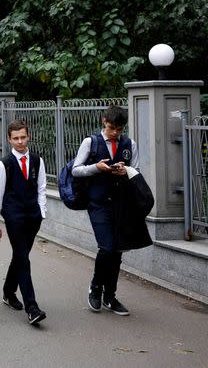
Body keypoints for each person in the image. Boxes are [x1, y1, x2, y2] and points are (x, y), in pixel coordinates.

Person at [72, 105, 138, 316]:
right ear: (104, 121)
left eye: (119, 129)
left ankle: (110, 295)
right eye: (111, 128)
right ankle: (95, 288)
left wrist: (124, 170)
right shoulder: (90, 142)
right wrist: (96, 168)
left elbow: (136, 171)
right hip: (98, 202)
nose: (115, 133)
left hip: (120, 203)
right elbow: (75, 169)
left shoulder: (129, 144)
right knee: (107, 247)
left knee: (117, 250)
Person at [0, 120, 47, 325]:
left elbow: (41, 188)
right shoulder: (4, 164)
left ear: (28, 136)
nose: (20, 141)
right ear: (9, 139)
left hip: (33, 216)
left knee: (20, 256)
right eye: (16, 138)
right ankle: (32, 307)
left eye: (23, 137)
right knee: (23, 258)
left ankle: (8, 291)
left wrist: (42, 212)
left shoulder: (38, 160)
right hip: (13, 217)